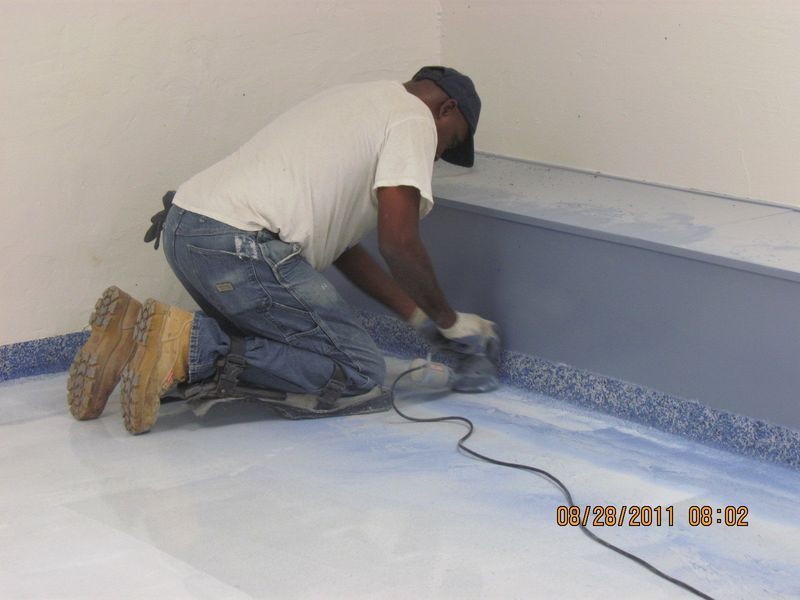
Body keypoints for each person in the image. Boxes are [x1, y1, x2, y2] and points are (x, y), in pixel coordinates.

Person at [67, 66, 499, 435]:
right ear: (446, 110)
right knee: (359, 372)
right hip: (239, 245)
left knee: (281, 345)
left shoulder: (362, 100)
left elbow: (346, 252)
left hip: (187, 229)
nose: (437, 157)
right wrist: (450, 321)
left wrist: (419, 317)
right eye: (449, 143)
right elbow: (399, 244)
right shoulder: (413, 120)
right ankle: (186, 345)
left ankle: (126, 339)